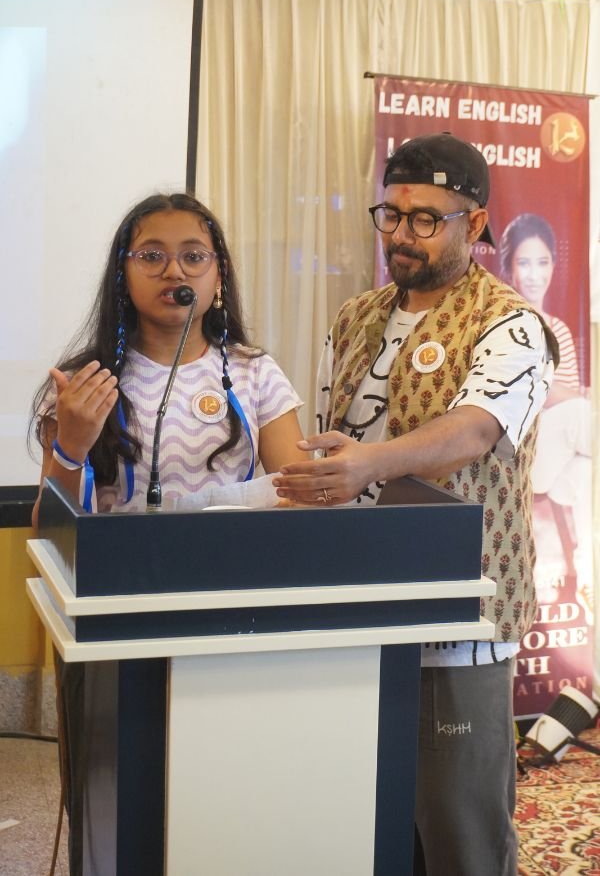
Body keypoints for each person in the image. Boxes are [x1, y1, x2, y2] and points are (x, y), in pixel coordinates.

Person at [273, 133, 559, 876]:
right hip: (353, 607)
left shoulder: (511, 323)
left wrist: (368, 463)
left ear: (476, 222)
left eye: (427, 218)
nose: (402, 234)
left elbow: (475, 429)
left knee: (459, 834)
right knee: (365, 824)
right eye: (392, 215)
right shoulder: (355, 316)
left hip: (456, 615)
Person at [30, 192, 308, 875]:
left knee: (224, 793)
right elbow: (50, 528)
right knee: (125, 799)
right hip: (120, 617)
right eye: (151, 256)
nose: (172, 270)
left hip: (233, 612)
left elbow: (299, 495)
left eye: (192, 256)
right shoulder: (88, 382)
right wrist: (71, 444)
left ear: (218, 276)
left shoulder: (254, 373)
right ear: (122, 272)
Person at [499, 213, 593, 624]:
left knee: (586, 467)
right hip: (522, 457)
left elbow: (560, 397)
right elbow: (547, 397)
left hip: (557, 464)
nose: (535, 274)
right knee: (582, 413)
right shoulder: (506, 324)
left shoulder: (559, 329)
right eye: (524, 263)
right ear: (509, 268)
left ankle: (586, 572)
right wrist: (581, 397)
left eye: (542, 262)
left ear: (554, 265)